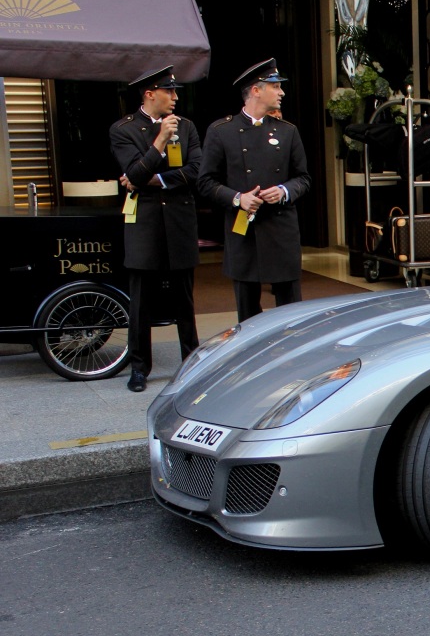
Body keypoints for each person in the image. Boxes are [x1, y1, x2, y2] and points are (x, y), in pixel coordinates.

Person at [108, 66, 202, 393]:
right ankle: (139, 368)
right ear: (150, 94)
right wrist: (160, 140)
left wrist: (159, 179)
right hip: (144, 223)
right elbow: (133, 172)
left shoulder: (187, 128)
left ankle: (191, 363)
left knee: (184, 301)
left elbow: (196, 169)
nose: (175, 98)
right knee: (141, 301)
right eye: (169, 91)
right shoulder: (124, 129)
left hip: (178, 220)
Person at [199, 59, 312, 322]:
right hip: (244, 230)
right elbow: (205, 182)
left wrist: (284, 190)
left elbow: (303, 178)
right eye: (275, 86)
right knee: (248, 313)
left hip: (281, 229)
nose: (282, 92)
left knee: (291, 312)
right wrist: (238, 198)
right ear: (256, 90)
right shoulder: (221, 131)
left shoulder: (288, 131)